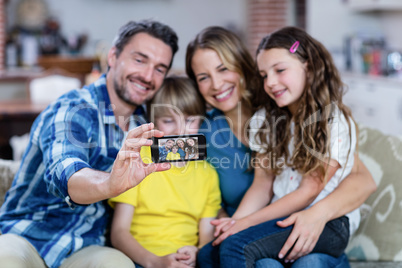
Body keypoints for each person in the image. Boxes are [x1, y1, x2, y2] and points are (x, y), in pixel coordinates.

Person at [185, 26, 376, 267]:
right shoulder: (214, 129)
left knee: (241, 248)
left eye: (223, 69)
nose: (216, 84)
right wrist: (235, 223)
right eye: (265, 75)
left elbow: (352, 182)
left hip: (326, 221)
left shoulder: (328, 119)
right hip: (274, 221)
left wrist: (245, 224)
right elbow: (262, 183)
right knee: (211, 255)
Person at [0, 20, 178, 268]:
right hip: (26, 235)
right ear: (113, 56)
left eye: (160, 69)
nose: (148, 76)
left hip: (88, 245)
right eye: (140, 60)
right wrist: (109, 183)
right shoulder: (72, 108)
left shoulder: (149, 123)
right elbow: (66, 170)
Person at [108, 75, 221, 268]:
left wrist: (198, 251)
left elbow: (206, 238)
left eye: (189, 120)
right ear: (154, 122)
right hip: (141, 260)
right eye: (169, 121)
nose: (181, 130)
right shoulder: (138, 161)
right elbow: (119, 233)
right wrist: (156, 262)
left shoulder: (208, 173)